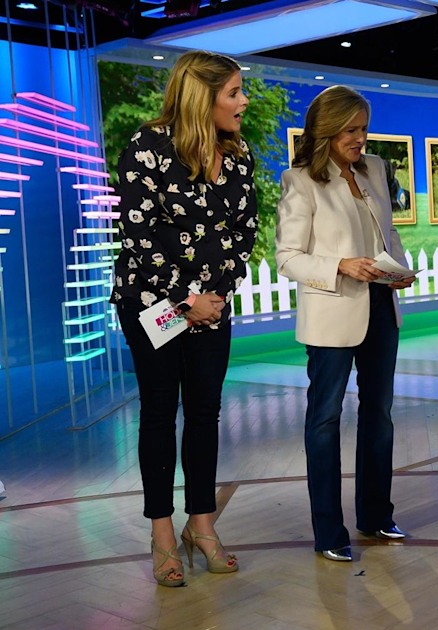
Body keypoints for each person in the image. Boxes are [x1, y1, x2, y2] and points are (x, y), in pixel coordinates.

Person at [110, 50, 256, 586]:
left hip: (210, 307)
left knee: (204, 413)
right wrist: (185, 300)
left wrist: (213, 297)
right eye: (234, 92)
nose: (243, 101)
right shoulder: (145, 148)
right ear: (203, 97)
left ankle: (202, 524)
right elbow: (137, 233)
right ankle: (162, 535)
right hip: (154, 306)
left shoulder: (236, 153)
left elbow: (244, 231)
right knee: (158, 414)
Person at [275, 86, 415, 562]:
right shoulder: (300, 181)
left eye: (364, 129)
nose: (360, 139)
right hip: (332, 313)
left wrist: (399, 269)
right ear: (326, 131)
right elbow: (287, 257)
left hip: (381, 307)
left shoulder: (374, 168)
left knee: (379, 414)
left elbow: (387, 233)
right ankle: (329, 532)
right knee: (325, 420)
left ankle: (376, 516)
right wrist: (340, 265)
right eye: (350, 130)